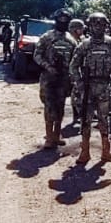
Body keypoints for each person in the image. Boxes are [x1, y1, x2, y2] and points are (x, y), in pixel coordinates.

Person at [70, 13, 111, 164]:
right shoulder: (84, 45)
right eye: (95, 24)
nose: (98, 27)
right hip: (87, 87)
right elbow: (73, 67)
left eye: (101, 24)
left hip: (104, 86)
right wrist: (79, 84)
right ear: (90, 26)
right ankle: (85, 151)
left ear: (106, 26)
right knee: (85, 120)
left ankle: (106, 151)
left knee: (104, 119)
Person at [34, 9, 77, 149]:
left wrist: (73, 75)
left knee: (61, 107)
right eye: (61, 20)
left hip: (64, 79)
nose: (63, 22)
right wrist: (48, 67)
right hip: (49, 78)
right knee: (49, 106)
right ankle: (49, 137)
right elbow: (37, 55)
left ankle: (57, 136)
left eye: (66, 20)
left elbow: (75, 59)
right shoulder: (47, 37)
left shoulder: (71, 40)